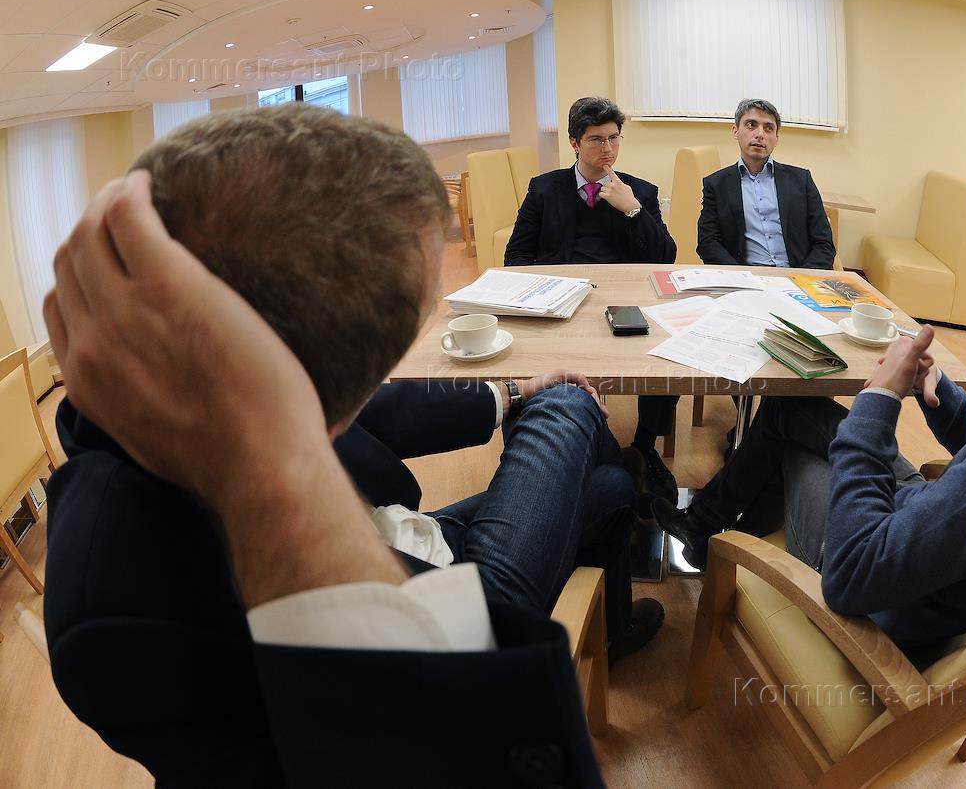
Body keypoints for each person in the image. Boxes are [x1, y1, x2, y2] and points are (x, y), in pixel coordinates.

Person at [42, 104, 663, 786]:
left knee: (608, 488)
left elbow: (378, 413)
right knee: (570, 405)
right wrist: (266, 467)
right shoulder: (114, 614)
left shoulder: (218, 376)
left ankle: (611, 626)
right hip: (440, 601)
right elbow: (428, 741)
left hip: (404, 535)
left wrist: (510, 391)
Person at [657, 181, 966, 653]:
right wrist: (938, 389)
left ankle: (720, 538)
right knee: (793, 409)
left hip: (873, 576)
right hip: (927, 531)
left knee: (790, 424)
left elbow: (853, 573)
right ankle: (708, 524)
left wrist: (879, 400)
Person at [505, 95, 680, 508]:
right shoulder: (544, 189)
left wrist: (633, 209)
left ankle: (644, 444)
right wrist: (545, 293)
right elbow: (516, 257)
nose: (608, 149)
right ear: (574, 142)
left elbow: (666, 257)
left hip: (623, 300)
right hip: (560, 301)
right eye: (596, 139)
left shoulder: (639, 191)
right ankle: (548, 450)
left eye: (614, 138)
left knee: (665, 356)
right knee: (537, 366)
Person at [696, 98, 835, 270]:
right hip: (745, 277)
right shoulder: (716, 185)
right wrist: (740, 276)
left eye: (768, 128)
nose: (760, 134)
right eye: (751, 125)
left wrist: (801, 278)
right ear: (735, 131)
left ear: (776, 139)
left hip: (798, 275)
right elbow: (708, 242)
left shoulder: (801, 180)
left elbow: (824, 243)